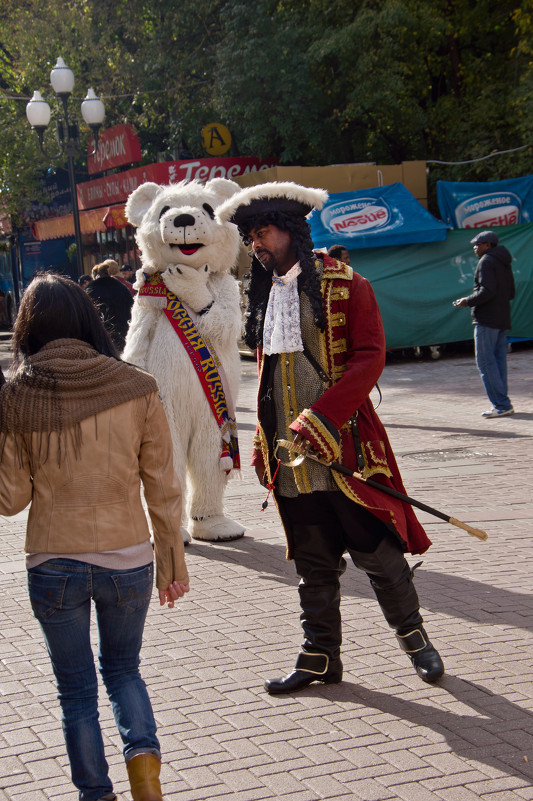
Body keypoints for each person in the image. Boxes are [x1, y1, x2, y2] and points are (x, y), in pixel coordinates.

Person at [216, 182, 444, 694]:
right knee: (312, 559)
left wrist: (321, 418)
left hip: (345, 446)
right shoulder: (266, 293)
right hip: (290, 456)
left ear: (293, 230)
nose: (258, 244)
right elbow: (271, 376)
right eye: (251, 237)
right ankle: (320, 656)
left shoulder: (347, 284)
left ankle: (415, 640)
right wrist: (263, 440)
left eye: (265, 232)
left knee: (376, 551)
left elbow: (370, 356)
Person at [0, 274, 189, 801]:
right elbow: (165, 487)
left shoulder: (19, 394)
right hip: (129, 558)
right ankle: (146, 782)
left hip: (53, 562)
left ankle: (95, 794)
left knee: (76, 690)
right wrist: (172, 564)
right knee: (125, 671)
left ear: (28, 326)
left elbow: (11, 500)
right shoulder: (136, 384)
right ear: (87, 317)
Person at [454, 230, 515, 418]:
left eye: (478, 244)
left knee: (486, 362)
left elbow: (487, 291)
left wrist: (467, 301)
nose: (475, 247)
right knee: (497, 362)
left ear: (488, 245)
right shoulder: (503, 261)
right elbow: (511, 292)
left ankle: (501, 404)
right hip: (502, 318)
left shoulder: (486, 261)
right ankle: (504, 403)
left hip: (487, 319)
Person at [86, 259, 134, 351]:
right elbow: (131, 308)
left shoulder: (91, 289)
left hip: (99, 336)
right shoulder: (121, 287)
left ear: (95, 275)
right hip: (122, 334)